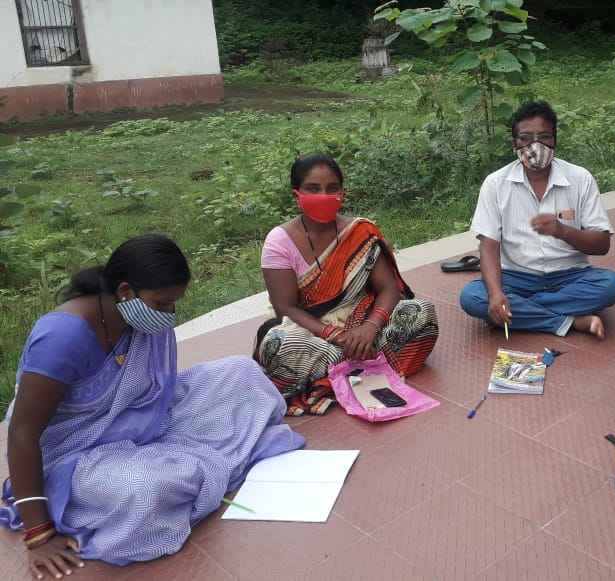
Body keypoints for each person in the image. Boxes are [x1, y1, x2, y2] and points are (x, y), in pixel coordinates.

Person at [1, 235, 304, 576]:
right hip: (73, 452)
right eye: (162, 304)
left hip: (140, 416)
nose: (169, 314)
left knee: (242, 374)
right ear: (125, 291)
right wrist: (39, 535)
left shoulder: (134, 316)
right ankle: (150, 475)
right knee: (148, 488)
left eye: (173, 304)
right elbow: (23, 432)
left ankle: (172, 461)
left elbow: (154, 390)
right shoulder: (61, 338)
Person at [257, 154, 438, 416]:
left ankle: (335, 376)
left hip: (365, 327)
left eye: (332, 188)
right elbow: (285, 308)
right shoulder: (279, 241)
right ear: (297, 194)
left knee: (420, 312)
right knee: (280, 344)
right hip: (313, 333)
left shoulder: (360, 231)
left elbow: (389, 289)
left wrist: (370, 327)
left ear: (342, 193)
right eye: (313, 189)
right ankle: (371, 367)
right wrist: (336, 335)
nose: (323, 196)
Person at [459, 101, 615, 339]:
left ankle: (522, 311)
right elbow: (488, 246)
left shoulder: (580, 178)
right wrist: (495, 294)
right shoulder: (496, 184)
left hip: (570, 275)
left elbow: (602, 244)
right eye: (525, 138)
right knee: (472, 297)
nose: (535, 146)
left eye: (544, 137)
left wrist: (562, 231)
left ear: (555, 140)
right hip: (516, 276)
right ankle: (570, 321)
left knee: (612, 285)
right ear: (514, 143)